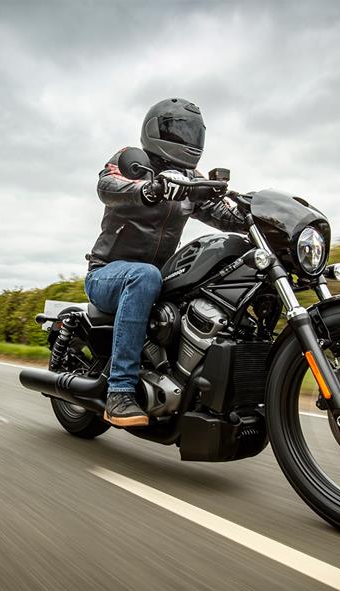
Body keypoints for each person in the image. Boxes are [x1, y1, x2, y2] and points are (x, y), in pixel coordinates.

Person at [85, 98, 247, 427]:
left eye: (192, 132)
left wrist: (253, 214)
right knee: (145, 276)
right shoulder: (131, 160)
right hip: (107, 274)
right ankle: (119, 391)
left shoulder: (191, 178)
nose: (187, 139)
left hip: (154, 279)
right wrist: (150, 189)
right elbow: (107, 186)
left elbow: (222, 215)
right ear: (155, 128)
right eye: (178, 130)